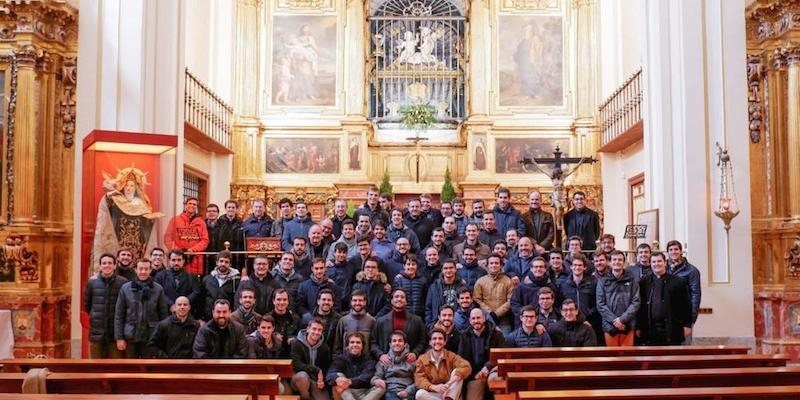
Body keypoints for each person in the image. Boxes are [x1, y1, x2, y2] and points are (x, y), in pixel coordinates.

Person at [92, 166, 163, 269]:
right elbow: (106, 210)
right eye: (126, 185)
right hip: (119, 238)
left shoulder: (142, 204)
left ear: (136, 189)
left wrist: (151, 220)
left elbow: (146, 226)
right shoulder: (116, 200)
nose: (129, 188)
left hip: (138, 242)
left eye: (132, 186)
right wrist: (108, 196)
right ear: (123, 187)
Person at [114, 258, 169, 358]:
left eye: (146, 269)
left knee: (148, 369)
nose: (143, 272)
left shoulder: (158, 289)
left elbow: (163, 315)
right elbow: (119, 315)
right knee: (131, 369)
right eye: (141, 269)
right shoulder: (125, 288)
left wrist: (162, 337)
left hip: (150, 336)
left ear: (150, 270)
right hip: (130, 335)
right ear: (136, 269)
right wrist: (119, 338)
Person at [637, 252, 692, 346]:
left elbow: (686, 305)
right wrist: (638, 326)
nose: (656, 264)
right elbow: (640, 306)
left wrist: (687, 325)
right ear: (650, 263)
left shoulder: (678, 282)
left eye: (659, 261)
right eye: (653, 262)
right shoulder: (644, 282)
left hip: (672, 327)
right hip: (650, 328)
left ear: (665, 263)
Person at [84, 253, 128, 358]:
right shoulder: (92, 282)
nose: (107, 265)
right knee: (95, 366)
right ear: (100, 265)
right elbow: (87, 305)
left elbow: (126, 306)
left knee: (115, 367)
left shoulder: (123, 282)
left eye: (109, 263)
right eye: (104, 263)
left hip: (115, 334)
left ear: (114, 265)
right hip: (97, 332)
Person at [459, 308, 505, 400]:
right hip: (475, 375)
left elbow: (501, 354)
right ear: (470, 321)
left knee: (496, 378)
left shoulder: (496, 334)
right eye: (473, 318)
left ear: (484, 319)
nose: (476, 321)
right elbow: (461, 358)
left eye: (478, 318)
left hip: (492, 370)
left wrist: (487, 367)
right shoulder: (464, 336)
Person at [596, 250, 641, 346]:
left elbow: (636, 302)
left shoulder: (632, 279)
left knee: (627, 358)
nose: (617, 262)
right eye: (614, 259)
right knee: (612, 358)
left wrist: (622, 319)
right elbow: (600, 304)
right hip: (609, 325)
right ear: (609, 262)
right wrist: (614, 320)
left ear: (624, 262)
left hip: (628, 324)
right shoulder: (602, 281)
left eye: (620, 260)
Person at [370, 288, 427, 362]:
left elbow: (423, 341)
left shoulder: (417, 320)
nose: (399, 299)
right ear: (391, 300)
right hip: (386, 365)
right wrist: (380, 355)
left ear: (406, 302)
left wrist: (415, 353)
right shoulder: (380, 321)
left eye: (402, 297)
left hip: (409, 364)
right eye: (396, 297)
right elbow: (373, 343)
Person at [413, 329, 471, 400]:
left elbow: (466, 366)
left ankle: (448, 398)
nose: (437, 341)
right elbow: (419, 379)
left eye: (440, 339)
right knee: (419, 394)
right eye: (434, 339)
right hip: (433, 394)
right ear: (430, 342)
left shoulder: (451, 356)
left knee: (458, 373)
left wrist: (449, 383)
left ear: (444, 342)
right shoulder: (422, 359)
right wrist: (433, 387)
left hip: (450, 392)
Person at [555, 253, 600, 343]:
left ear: (584, 267)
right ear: (571, 267)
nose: (577, 267)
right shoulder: (563, 284)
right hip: (568, 325)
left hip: (588, 323)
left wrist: (583, 318)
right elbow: (558, 304)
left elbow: (596, 304)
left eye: (580, 265)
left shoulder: (593, 283)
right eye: (575, 265)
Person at [327, 332, 384, 400]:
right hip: (345, 392)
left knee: (381, 386)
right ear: (347, 345)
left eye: (358, 342)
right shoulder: (340, 359)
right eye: (352, 342)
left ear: (362, 345)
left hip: (364, 394)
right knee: (338, 378)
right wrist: (338, 379)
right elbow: (330, 374)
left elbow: (366, 378)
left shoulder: (369, 360)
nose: (355, 344)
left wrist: (349, 382)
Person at [666, 240, 702, 344]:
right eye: (670, 250)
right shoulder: (664, 268)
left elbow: (696, 295)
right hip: (667, 314)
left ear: (681, 251)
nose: (673, 252)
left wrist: (691, 320)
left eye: (676, 249)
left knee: (683, 346)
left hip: (683, 314)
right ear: (667, 252)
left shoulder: (691, 270)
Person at [164, 197, 209, 276]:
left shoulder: (201, 222)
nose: (192, 205)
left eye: (194, 204)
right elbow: (167, 238)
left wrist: (193, 250)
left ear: (196, 207)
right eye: (190, 203)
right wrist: (177, 251)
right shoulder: (175, 220)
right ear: (185, 205)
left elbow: (205, 240)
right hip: (178, 260)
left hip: (195, 260)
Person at [290, 318, 332, 400]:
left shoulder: (324, 348)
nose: (316, 332)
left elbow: (326, 367)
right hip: (298, 377)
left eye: (319, 330)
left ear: (322, 332)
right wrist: (316, 370)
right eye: (314, 329)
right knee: (303, 376)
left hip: (315, 379)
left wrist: (322, 381)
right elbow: (296, 364)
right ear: (308, 329)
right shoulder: (296, 343)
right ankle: (305, 397)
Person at [510, 257, 556, 327]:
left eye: (541, 267)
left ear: (545, 269)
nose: (538, 269)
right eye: (536, 267)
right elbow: (514, 304)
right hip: (526, 323)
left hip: (547, 322)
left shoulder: (551, 286)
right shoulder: (522, 286)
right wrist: (527, 315)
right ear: (531, 269)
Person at [372, 330, 417, 400]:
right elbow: (376, 377)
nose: (397, 343)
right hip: (389, 392)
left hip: (408, 391)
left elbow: (418, 380)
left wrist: (408, 391)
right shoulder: (384, 360)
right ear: (390, 344)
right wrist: (376, 381)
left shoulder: (411, 360)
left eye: (400, 341)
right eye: (394, 341)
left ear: (405, 344)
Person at [473, 253, 513, 333]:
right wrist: (490, 312)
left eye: (496, 263)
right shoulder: (480, 281)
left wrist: (497, 313)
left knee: (504, 341)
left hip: (503, 319)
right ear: (487, 265)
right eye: (491, 263)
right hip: (486, 318)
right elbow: (477, 299)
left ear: (501, 265)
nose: (494, 265)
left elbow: (510, 300)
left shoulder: (508, 281)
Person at [424, 260, 466, 328]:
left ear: (455, 269)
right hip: (438, 325)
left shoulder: (462, 285)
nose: (448, 270)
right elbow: (428, 308)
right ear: (442, 270)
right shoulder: (434, 287)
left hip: (458, 325)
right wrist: (431, 325)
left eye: (451, 268)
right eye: (446, 268)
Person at [200, 250, 241, 320]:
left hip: (228, 319)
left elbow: (238, 301)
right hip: (209, 319)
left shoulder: (237, 281)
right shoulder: (207, 279)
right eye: (221, 261)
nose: (223, 264)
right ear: (217, 262)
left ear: (230, 264)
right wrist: (201, 318)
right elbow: (201, 300)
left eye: (226, 262)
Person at [334, 289, 376, 354]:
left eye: (360, 300)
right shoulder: (343, 321)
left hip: (366, 361)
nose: (357, 303)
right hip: (346, 361)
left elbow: (374, 344)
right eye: (355, 300)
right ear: (351, 302)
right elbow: (337, 345)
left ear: (365, 302)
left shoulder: (371, 321)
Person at [270, 288, 302, 355]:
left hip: (291, 355)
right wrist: (273, 335)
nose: (281, 302)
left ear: (288, 302)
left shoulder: (296, 319)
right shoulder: (267, 319)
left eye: (284, 300)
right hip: (272, 356)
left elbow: (301, 337)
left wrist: (294, 339)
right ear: (273, 301)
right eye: (279, 299)